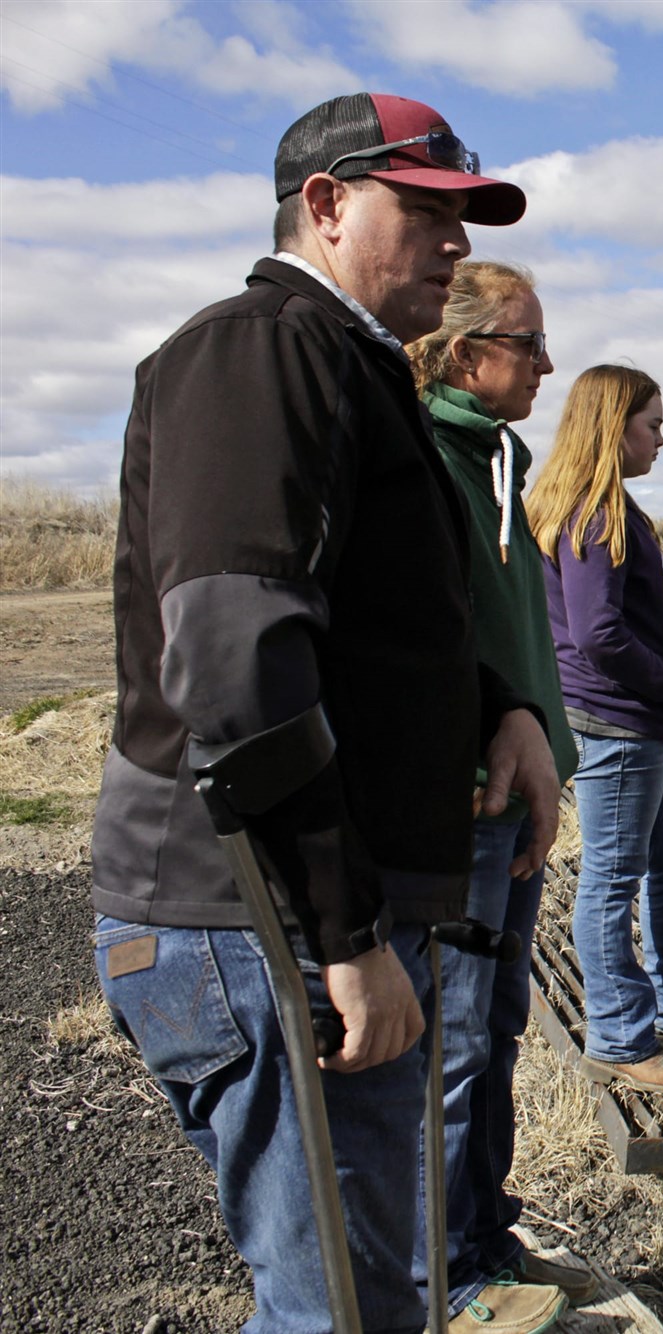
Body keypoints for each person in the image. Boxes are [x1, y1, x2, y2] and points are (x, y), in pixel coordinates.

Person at [90, 93, 564, 1334]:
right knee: (337, 1314)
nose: (456, 246)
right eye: (429, 212)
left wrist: (499, 704)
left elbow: (369, 625)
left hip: (308, 920)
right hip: (258, 920)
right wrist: (344, 934)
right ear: (327, 203)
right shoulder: (259, 352)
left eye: (467, 219)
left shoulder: (351, 368)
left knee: (374, 1294)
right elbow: (239, 668)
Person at [405, 262, 594, 1318]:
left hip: (517, 793)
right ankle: (449, 1273)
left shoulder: (497, 453)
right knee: (458, 1039)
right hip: (465, 802)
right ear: (468, 352)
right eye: (528, 344)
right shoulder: (420, 457)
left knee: (497, 1026)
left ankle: (484, 1232)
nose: (546, 363)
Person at [524, 365, 663, 1095]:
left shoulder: (598, 505)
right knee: (613, 877)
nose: (661, 437)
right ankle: (621, 1037)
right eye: (652, 423)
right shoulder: (596, 513)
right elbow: (596, 634)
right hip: (617, 726)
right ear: (613, 426)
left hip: (628, 724)